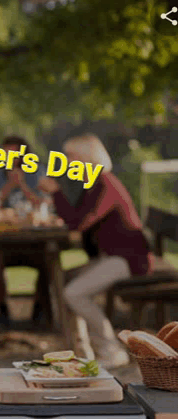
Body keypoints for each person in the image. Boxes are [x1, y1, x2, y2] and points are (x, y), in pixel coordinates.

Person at [37, 133, 154, 368]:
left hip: (128, 260)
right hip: (111, 257)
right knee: (63, 279)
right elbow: (77, 218)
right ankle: (80, 349)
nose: (67, 160)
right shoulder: (94, 183)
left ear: (86, 157)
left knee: (73, 292)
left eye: (71, 155)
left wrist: (56, 192)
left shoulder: (105, 184)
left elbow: (78, 223)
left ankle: (110, 350)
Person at [0, 136, 48, 330]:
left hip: (32, 240)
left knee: (47, 259)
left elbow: (44, 205)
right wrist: (9, 185)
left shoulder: (37, 172)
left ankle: (41, 310)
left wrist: (22, 185)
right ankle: (3, 311)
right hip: (4, 240)